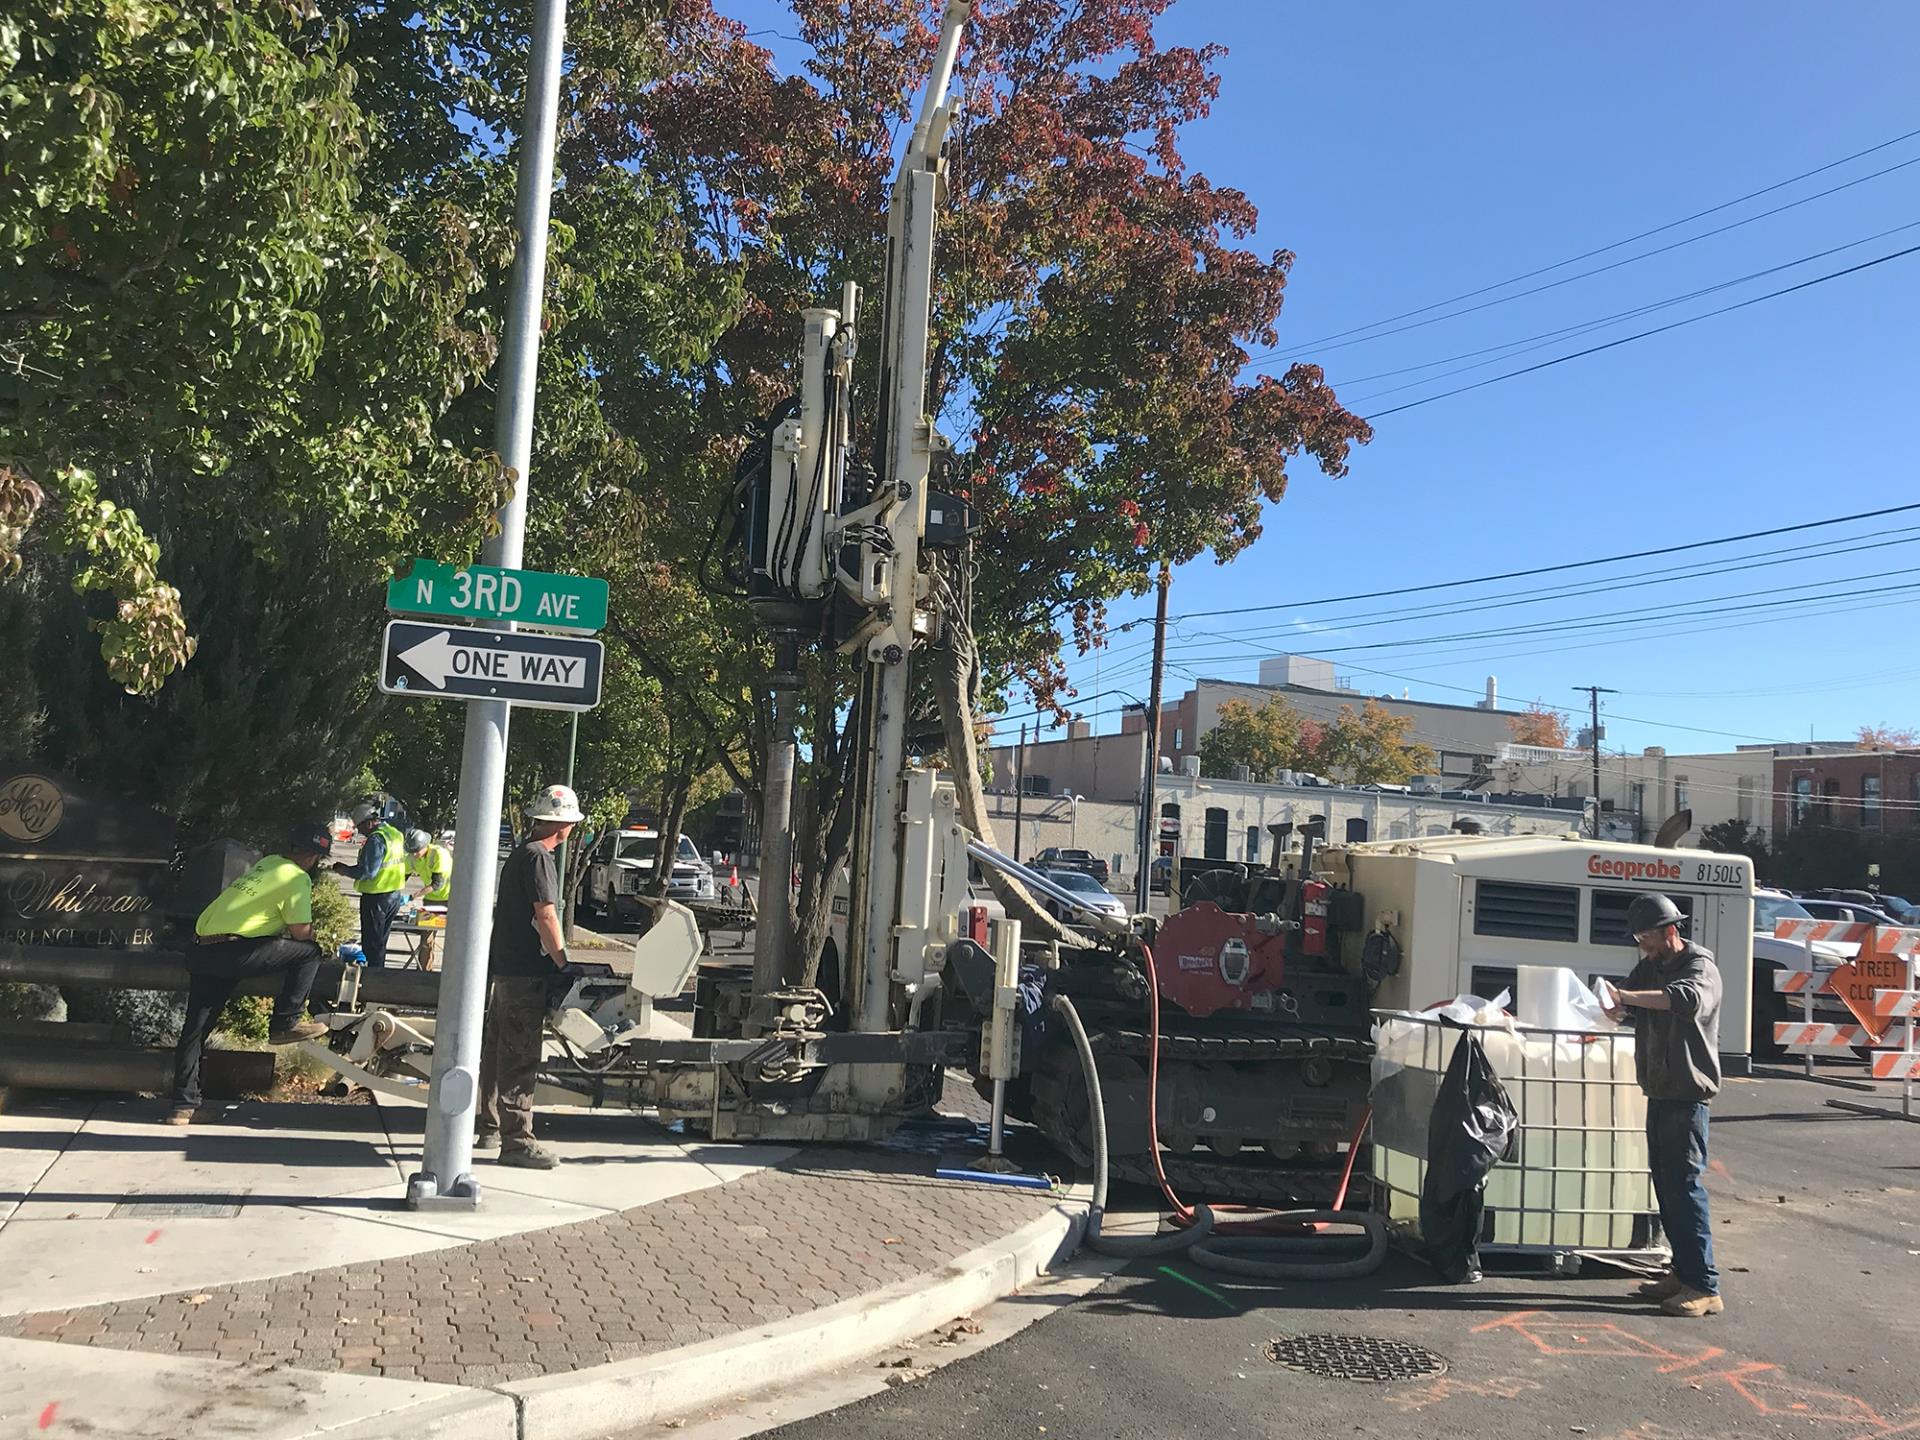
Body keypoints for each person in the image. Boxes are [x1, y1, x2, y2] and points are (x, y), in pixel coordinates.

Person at [1602, 892, 1724, 1317]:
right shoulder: (1651, 965)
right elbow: (1634, 998)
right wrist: (1618, 1009)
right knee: (1666, 1187)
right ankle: (1682, 1271)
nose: (1642, 945)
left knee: (1685, 1187)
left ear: (1671, 931)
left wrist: (1628, 999)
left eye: (1647, 936)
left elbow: (1685, 1000)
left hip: (1688, 1094)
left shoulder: (1699, 966)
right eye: (1638, 937)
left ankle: (1704, 1286)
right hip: (1660, 1090)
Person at [168, 822, 332, 1125]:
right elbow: (301, 935)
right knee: (311, 954)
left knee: (195, 1030)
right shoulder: (298, 878)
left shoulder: (269, 863)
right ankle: (286, 1022)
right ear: (313, 858)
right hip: (235, 952)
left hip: (201, 948)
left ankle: (183, 1106)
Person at [477, 782, 583, 1169]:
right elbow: (546, 914)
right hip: (526, 972)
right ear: (564, 825)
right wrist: (562, 962)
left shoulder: (521, 853)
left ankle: (489, 1125)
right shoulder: (540, 858)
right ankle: (518, 1141)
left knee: (497, 1049)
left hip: (505, 966)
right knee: (520, 1056)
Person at [340, 800, 406, 968]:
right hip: (394, 895)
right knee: (380, 942)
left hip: (377, 897)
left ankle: (373, 980)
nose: (360, 831)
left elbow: (368, 872)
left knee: (372, 944)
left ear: (369, 822)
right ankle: (379, 975)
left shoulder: (376, 839)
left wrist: (344, 870)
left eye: (360, 827)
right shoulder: (394, 834)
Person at [407, 828, 454, 968]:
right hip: (430, 899)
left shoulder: (439, 854)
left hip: (449, 898)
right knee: (426, 939)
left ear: (425, 845)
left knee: (452, 936)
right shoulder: (412, 856)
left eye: (417, 851)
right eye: (412, 852)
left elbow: (437, 884)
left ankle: (452, 971)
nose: (414, 855)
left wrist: (412, 896)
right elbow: (404, 875)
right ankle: (424, 971)